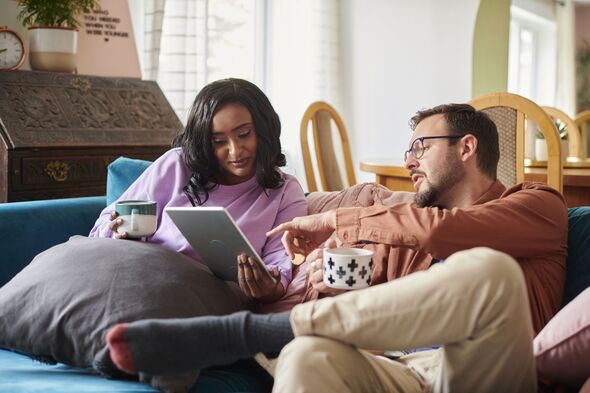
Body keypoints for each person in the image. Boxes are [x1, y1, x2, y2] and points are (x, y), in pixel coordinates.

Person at [103, 104, 568, 392]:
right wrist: (336, 288)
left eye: (421, 146)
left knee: (489, 270)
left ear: (467, 147)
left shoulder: (538, 206)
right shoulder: (398, 229)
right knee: (309, 356)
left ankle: (242, 333)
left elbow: (439, 230)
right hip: (392, 368)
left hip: (481, 370)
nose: (408, 161)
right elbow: (381, 299)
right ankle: (263, 335)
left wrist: (331, 218)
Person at [90, 78, 307, 305]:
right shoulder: (176, 165)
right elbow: (104, 224)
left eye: (243, 134)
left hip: (205, 299)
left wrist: (267, 287)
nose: (235, 150)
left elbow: (280, 266)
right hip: (135, 275)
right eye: (219, 141)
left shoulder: (284, 191)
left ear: (263, 130)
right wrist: (118, 233)